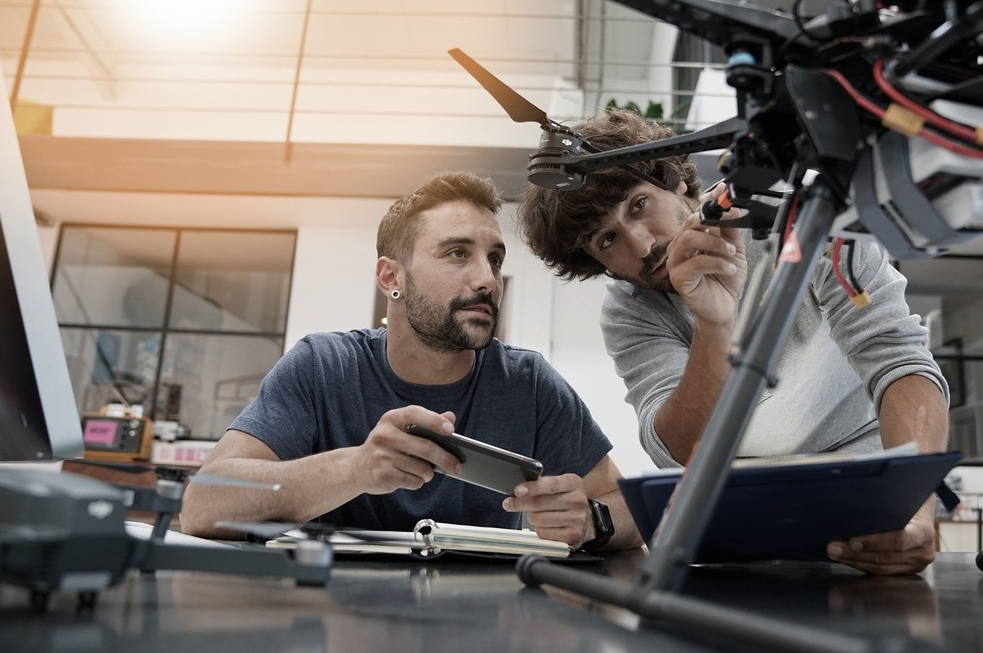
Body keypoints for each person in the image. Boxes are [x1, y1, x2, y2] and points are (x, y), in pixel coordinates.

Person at [518, 110, 949, 574]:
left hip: (863, 480)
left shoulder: (806, 219)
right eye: (607, 241)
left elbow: (899, 359)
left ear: (678, 182)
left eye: (639, 206)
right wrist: (714, 321)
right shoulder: (630, 310)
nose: (641, 246)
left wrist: (914, 506)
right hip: (737, 498)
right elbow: (677, 449)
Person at [182, 171, 641, 553]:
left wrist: (592, 521)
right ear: (391, 277)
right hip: (336, 616)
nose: (487, 279)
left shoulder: (528, 382)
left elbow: (629, 512)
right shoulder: (323, 366)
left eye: (494, 259)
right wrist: (355, 468)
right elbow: (202, 506)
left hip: (479, 616)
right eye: (458, 253)